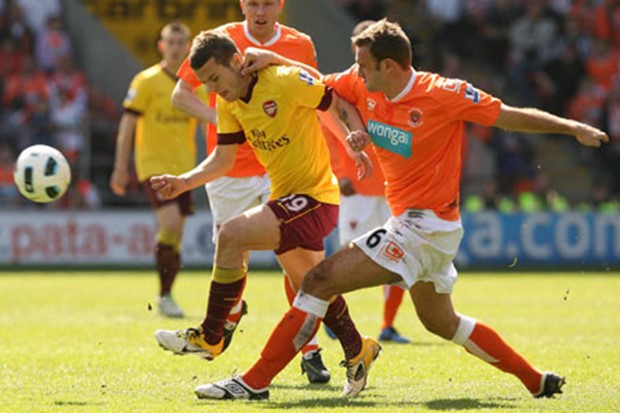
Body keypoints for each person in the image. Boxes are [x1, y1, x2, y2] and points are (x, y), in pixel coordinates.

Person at [194, 19, 609, 400]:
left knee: (318, 280)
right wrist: (273, 57)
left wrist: (571, 127)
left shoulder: (441, 93)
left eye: (363, 65)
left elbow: (508, 116)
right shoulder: (364, 86)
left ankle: (253, 383)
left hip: (425, 227)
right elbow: (321, 85)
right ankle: (536, 381)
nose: (356, 72)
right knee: (443, 323)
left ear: (389, 66)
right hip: (416, 227)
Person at [150, 30, 378, 400]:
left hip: (317, 198)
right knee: (312, 288)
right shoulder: (229, 103)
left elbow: (333, 98)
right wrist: (183, 182)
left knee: (232, 235)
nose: (214, 89)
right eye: (206, 84)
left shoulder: (284, 82)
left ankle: (212, 335)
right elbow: (223, 159)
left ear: (237, 62)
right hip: (288, 199)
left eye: (216, 79)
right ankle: (358, 349)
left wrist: (355, 135)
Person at [170, 0, 331, 383]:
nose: (260, 10)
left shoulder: (299, 43)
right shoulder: (221, 40)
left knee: (297, 261)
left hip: (282, 168)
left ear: (280, 5)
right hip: (229, 168)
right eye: (252, 2)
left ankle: (311, 351)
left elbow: (319, 90)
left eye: (267, 2)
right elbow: (180, 94)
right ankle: (226, 319)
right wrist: (226, 118)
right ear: (243, 4)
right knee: (231, 251)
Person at [109, 22, 206, 318]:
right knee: (171, 224)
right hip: (152, 166)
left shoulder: (195, 85)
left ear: (189, 47)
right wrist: (120, 167)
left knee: (175, 235)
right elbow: (127, 124)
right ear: (161, 46)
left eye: (181, 42)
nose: (176, 47)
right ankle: (165, 295)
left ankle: (166, 293)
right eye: (171, 42)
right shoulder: (146, 80)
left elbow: (208, 125)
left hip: (184, 170)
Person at [326, 19, 410, 344]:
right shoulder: (347, 84)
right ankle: (331, 315)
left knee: (398, 253)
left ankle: (388, 325)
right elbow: (329, 133)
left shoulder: (390, 82)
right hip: (357, 185)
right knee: (350, 254)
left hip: (392, 187)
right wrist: (341, 173)